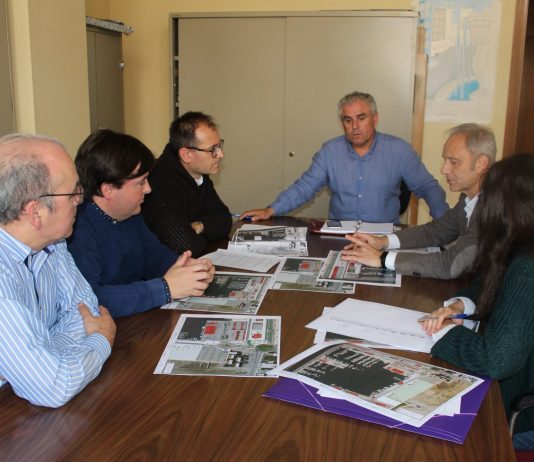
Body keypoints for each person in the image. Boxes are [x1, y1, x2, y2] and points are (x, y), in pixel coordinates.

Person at [421, 153, 534, 450]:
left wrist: (444, 332)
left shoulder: (528, 267)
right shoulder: (519, 246)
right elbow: (487, 285)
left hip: (520, 413)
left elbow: (496, 361)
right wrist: (459, 305)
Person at [0, 134, 115, 408]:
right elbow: (53, 387)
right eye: (73, 192)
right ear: (35, 212)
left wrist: (42, 352)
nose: (80, 200)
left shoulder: (53, 243)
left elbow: (86, 312)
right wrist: (101, 339)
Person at [68, 129, 215, 318]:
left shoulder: (130, 213)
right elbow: (89, 299)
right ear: (108, 189)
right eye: (141, 182)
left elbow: (153, 256)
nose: (148, 189)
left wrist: (190, 269)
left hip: (134, 319)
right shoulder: (77, 228)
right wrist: (165, 288)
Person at [241, 91, 448, 223]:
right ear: (342, 123)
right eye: (348, 120)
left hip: (384, 238)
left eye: (361, 118)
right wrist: (271, 210)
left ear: (375, 118)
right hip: (340, 237)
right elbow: (305, 187)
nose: (355, 126)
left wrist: (443, 224)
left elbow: (427, 187)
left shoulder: (399, 150)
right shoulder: (330, 151)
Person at [341, 123, 496, 279]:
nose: (444, 170)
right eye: (445, 160)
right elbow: (435, 232)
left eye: (453, 162)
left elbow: (450, 265)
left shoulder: (493, 208)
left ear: (481, 163)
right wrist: (383, 242)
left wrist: (382, 258)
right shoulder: (469, 198)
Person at [142, 111, 232, 257]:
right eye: (213, 149)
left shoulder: (198, 173)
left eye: (219, 146)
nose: (220, 154)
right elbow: (186, 247)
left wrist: (201, 226)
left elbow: (225, 220)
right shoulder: (159, 182)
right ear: (186, 155)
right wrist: (203, 231)